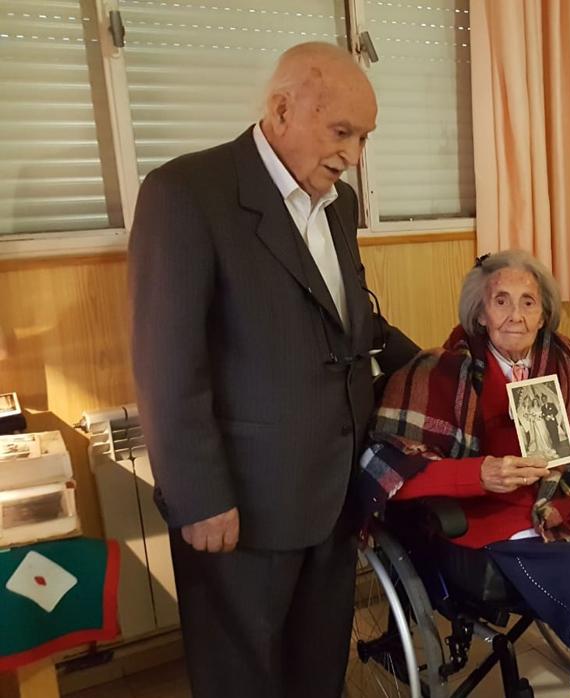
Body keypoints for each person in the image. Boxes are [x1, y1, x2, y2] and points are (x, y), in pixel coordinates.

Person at [128, 42, 415, 697]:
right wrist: (199, 497)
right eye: (341, 133)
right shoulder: (186, 194)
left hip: (334, 489)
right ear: (282, 109)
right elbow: (166, 363)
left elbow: (353, 324)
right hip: (242, 504)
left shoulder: (335, 206)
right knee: (242, 676)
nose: (354, 157)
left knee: (318, 668)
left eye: (364, 138)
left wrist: (445, 365)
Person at [356, 249, 570, 698]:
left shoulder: (562, 356)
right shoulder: (442, 371)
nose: (515, 315)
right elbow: (389, 464)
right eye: (501, 300)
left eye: (529, 302)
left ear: (544, 314)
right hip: (505, 522)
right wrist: (477, 474)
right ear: (481, 313)